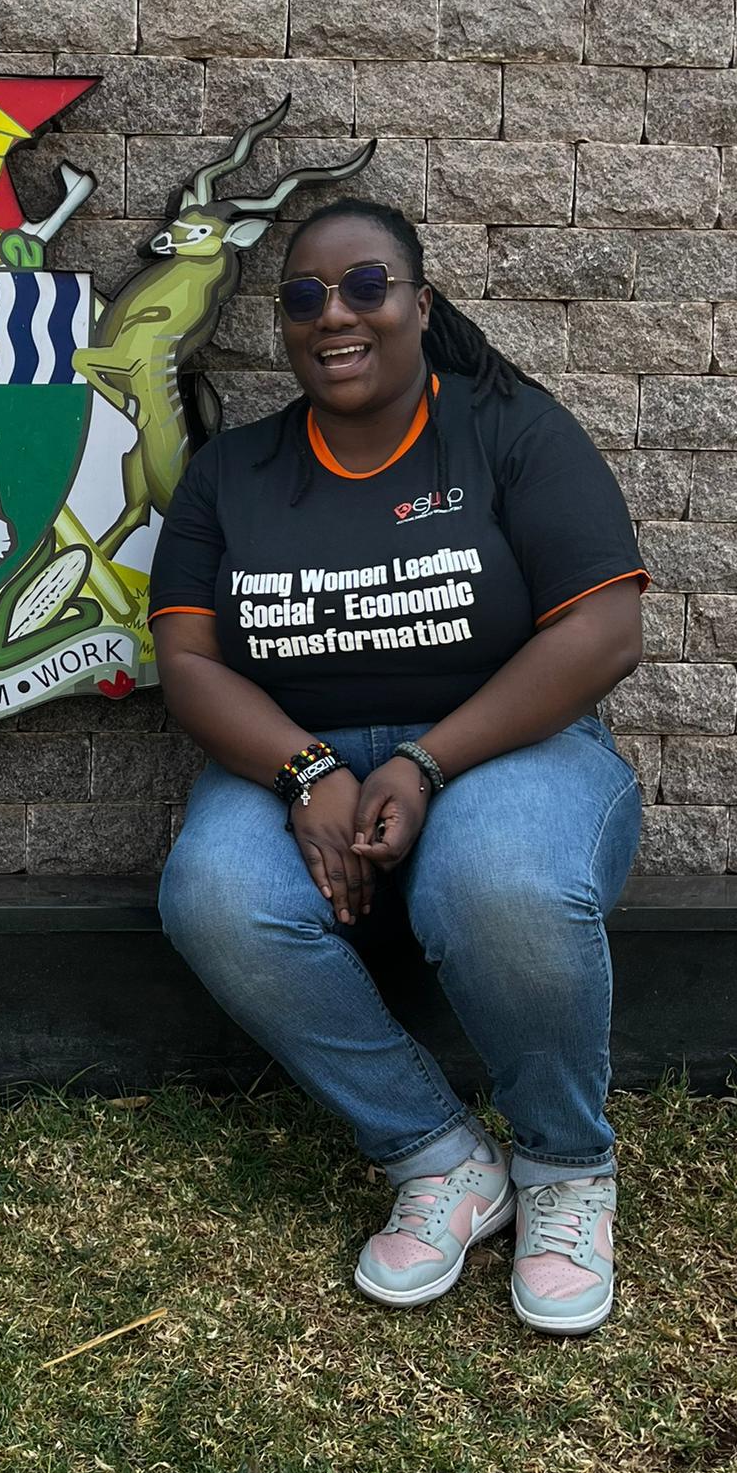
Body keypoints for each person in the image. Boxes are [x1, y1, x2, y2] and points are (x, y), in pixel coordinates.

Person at [151, 198, 646, 1335]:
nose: (336, 314)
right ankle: (437, 1155)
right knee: (214, 892)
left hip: (508, 746)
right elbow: (188, 664)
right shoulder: (235, 473)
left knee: (500, 882)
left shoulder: (510, 428)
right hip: (295, 756)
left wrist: (423, 761)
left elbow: (604, 633)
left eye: (366, 286)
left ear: (420, 304)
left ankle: (565, 1167)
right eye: (305, 297)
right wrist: (305, 768)